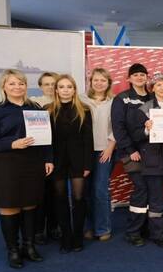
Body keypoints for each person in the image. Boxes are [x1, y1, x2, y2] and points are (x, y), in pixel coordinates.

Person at [0, 69, 53, 268]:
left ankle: (29, 247)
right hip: (7, 165)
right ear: (3, 86)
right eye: (12, 83)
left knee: (30, 205)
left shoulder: (36, 108)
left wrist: (48, 159)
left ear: (26, 86)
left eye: (21, 83)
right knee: (10, 205)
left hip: (34, 163)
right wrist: (12, 144)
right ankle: (13, 250)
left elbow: (46, 137)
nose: (17, 87)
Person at [48, 75, 94, 253]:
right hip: (56, 161)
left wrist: (88, 164)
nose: (65, 90)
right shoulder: (48, 110)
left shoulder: (84, 110)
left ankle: (77, 237)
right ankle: (65, 237)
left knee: (79, 199)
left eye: (69, 87)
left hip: (78, 160)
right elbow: (46, 140)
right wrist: (47, 160)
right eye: (62, 87)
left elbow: (88, 139)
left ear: (74, 90)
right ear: (56, 90)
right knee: (60, 199)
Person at [111, 63, 152, 247]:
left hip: (152, 152)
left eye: (142, 74)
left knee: (151, 189)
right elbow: (118, 128)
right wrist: (130, 150)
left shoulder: (153, 97)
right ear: (128, 78)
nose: (139, 77)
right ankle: (133, 231)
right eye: (135, 74)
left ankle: (146, 227)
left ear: (147, 77)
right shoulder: (122, 99)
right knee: (141, 188)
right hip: (132, 152)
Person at [132, 73, 163, 248]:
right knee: (157, 198)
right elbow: (135, 135)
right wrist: (146, 130)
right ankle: (158, 234)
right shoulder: (145, 109)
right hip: (154, 158)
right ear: (152, 88)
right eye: (159, 85)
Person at [81, 68, 116, 242]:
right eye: (96, 80)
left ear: (108, 83)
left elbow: (118, 126)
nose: (99, 83)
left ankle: (103, 228)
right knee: (85, 190)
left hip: (105, 150)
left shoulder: (114, 102)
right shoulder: (81, 99)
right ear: (90, 82)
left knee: (100, 190)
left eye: (103, 80)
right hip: (84, 152)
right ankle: (88, 226)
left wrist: (110, 147)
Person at [30, 71, 60, 244]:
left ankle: (54, 226)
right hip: (39, 155)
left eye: (53, 84)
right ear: (40, 86)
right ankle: (38, 230)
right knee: (39, 194)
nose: (50, 87)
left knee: (56, 193)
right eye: (46, 84)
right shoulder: (32, 104)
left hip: (59, 153)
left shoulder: (66, 102)